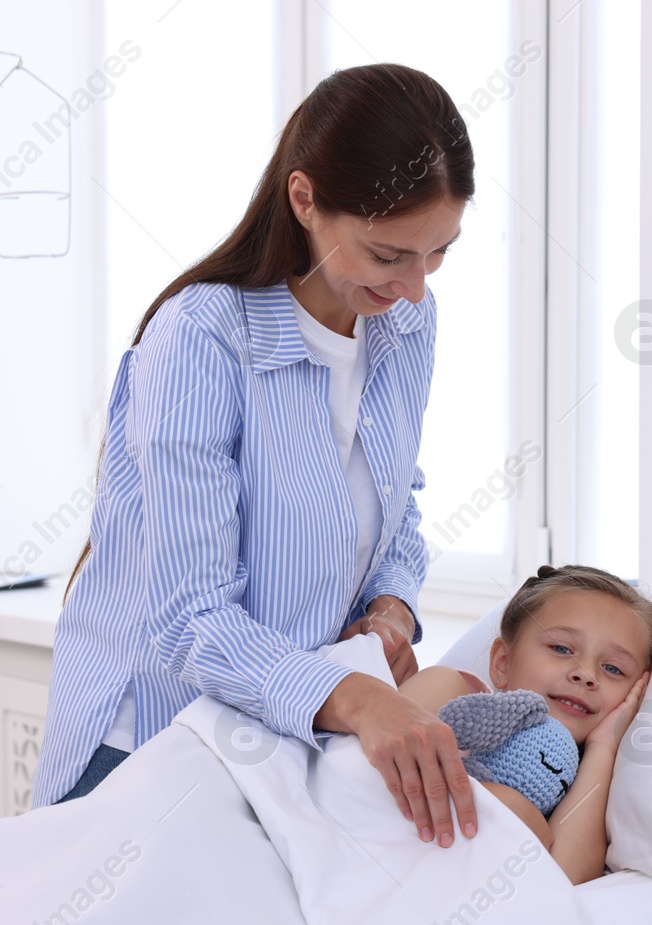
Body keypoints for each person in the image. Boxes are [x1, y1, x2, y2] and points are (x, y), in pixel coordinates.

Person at [34, 63, 483, 851]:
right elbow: (191, 619)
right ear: (305, 199)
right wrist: (353, 696)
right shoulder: (202, 338)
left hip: (280, 742)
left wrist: (392, 605)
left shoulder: (406, 324)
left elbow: (395, 496)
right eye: (388, 255)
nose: (415, 286)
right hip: (149, 741)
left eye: (437, 253)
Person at [398, 564, 652, 883]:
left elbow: (564, 877)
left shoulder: (580, 785)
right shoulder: (453, 692)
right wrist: (504, 802)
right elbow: (369, 770)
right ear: (502, 662)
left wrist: (603, 747)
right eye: (561, 648)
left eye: (612, 668)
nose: (586, 674)